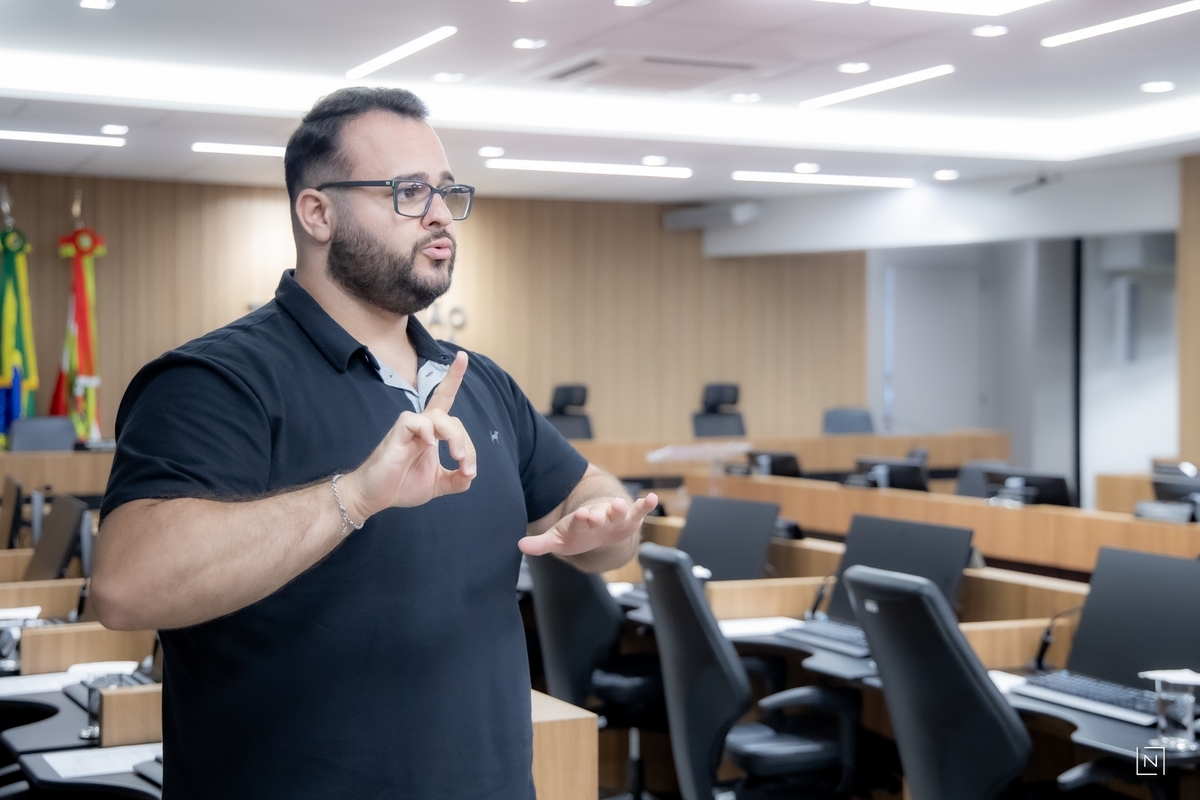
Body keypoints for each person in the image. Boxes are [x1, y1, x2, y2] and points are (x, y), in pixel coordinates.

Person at [91, 86, 657, 799]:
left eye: (446, 190)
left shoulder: (478, 381)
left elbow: (595, 514)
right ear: (317, 213)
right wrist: (353, 497)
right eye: (408, 191)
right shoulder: (213, 380)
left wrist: (604, 524)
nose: (439, 213)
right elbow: (125, 589)